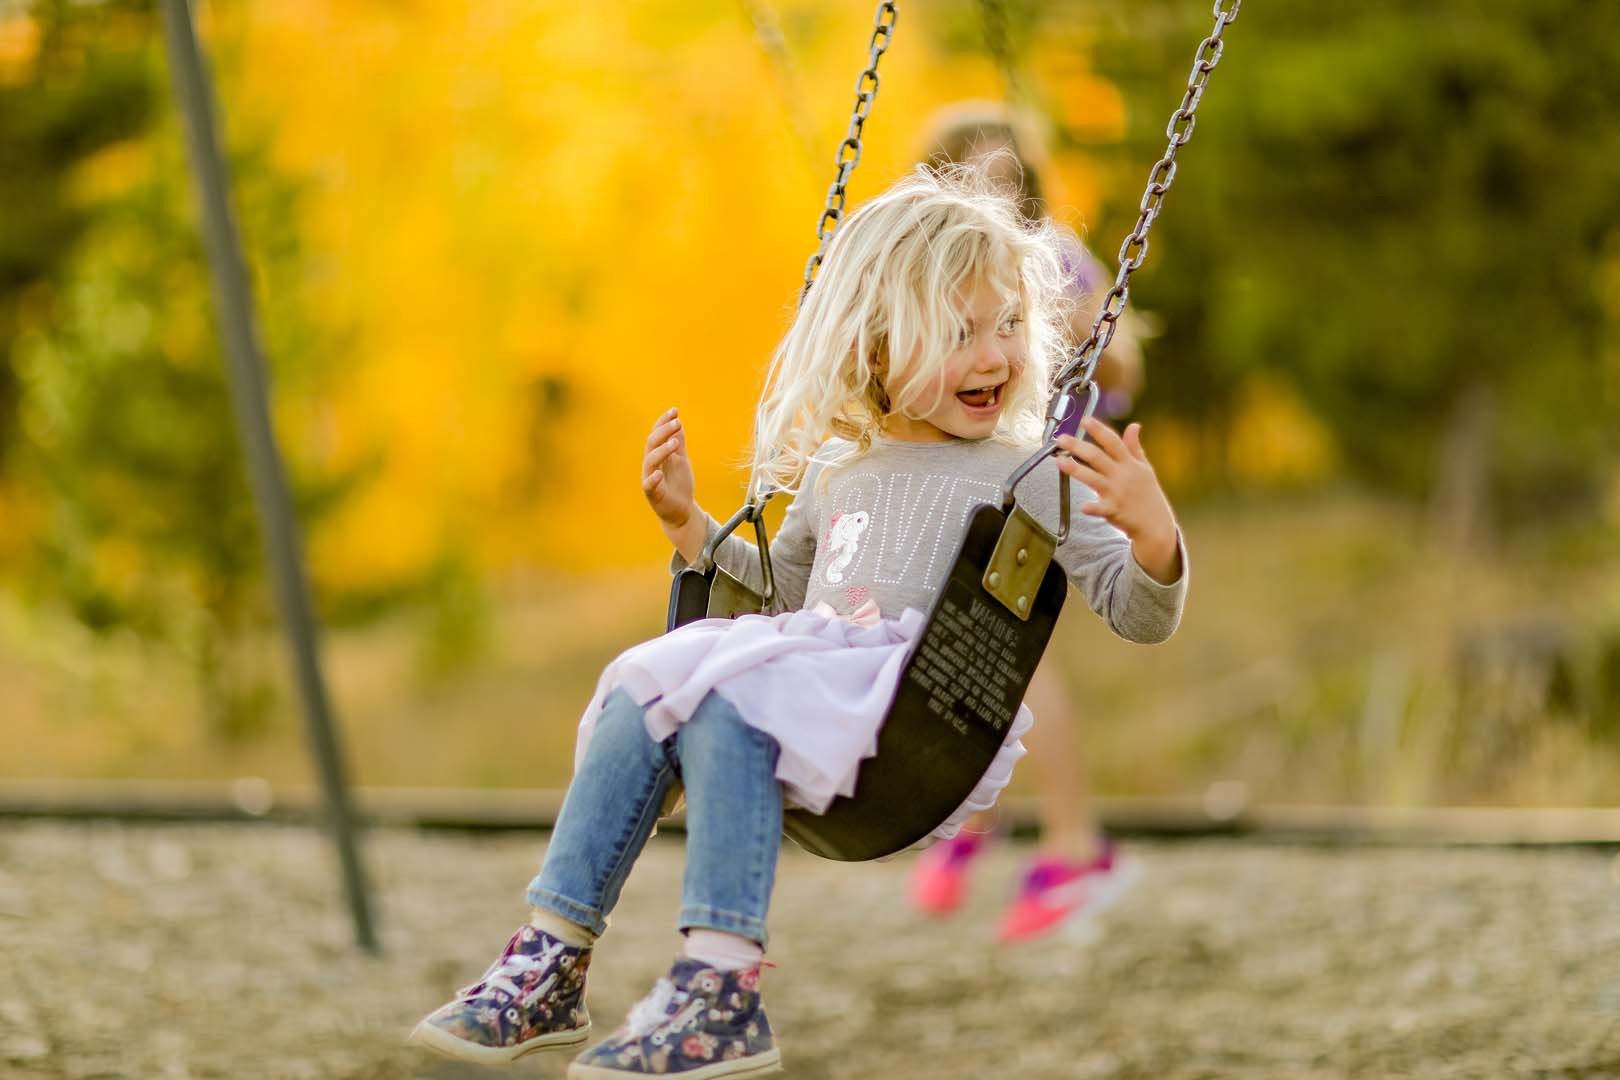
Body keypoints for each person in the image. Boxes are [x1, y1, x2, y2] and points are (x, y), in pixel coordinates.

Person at [410, 163, 1187, 1079]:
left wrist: (1155, 536)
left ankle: (721, 988)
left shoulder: (1031, 477)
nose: (994, 355)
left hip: (916, 718)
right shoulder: (834, 469)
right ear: (873, 344)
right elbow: (779, 598)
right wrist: (693, 530)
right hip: (812, 686)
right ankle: (550, 957)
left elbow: (1139, 614)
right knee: (642, 681)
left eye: (1009, 325)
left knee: (724, 694)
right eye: (960, 332)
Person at [908, 102, 1149, 943]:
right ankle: (979, 820)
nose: (994, 193)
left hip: (1044, 478)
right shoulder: (931, 270)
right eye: (974, 178)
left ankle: (1074, 845)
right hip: (971, 479)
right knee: (954, 645)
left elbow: (1124, 363)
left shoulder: (1052, 257)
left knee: (1017, 659)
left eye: (1007, 177)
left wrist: (1082, 322)